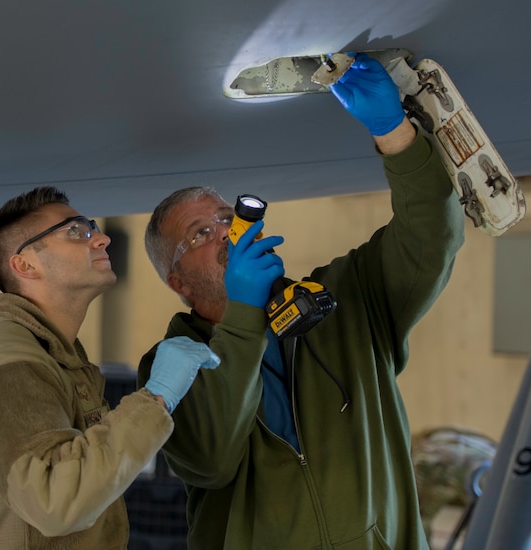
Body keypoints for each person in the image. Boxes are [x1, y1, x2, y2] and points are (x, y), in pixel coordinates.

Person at [137, 53, 465, 549]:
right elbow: (210, 458)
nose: (226, 234)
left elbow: (431, 237)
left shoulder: (347, 297)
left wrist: (394, 131)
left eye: (229, 217)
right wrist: (244, 316)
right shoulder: (169, 368)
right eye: (201, 233)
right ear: (177, 281)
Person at [0, 186, 220, 549]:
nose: (101, 239)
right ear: (25, 264)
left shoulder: (55, 359)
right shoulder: (8, 367)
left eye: (92, 228)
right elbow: (56, 502)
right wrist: (155, 396)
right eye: (75, 232)